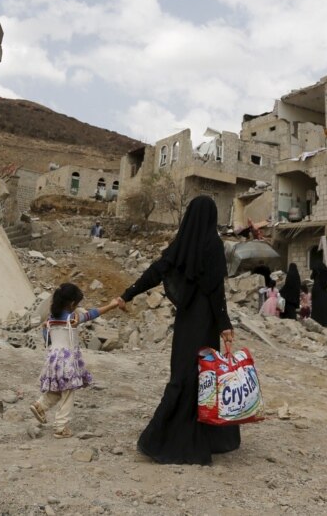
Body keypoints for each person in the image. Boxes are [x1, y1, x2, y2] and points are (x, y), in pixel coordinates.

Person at [118, 195, 240, 465]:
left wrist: (128, 293)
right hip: (205, 323)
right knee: (203, 377)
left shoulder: (181, 244)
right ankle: (189, 439)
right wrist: (224, 324)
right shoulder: (213, 245)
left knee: (182, 375)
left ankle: (167, 438)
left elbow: (156, 271)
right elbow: (216, 290)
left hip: (186, 322)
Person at [31, 283, 120, 438]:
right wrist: (111, 306)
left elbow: (47, 340)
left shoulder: (50, 319)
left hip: (52, 360)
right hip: (67, 361)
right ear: (72, 304)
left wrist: (45, 327)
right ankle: (60, 427)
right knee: (68, 394)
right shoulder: (73, 318)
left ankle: (40, 405)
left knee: (58, 389)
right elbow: (92, 314)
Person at [308, 261, 327, 327]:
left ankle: (316, 321)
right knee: (325, 305)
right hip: (323, 289)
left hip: (315, 289)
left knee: (316, 305)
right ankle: (325, 322)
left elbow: (311, 277)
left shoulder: (316, 270)